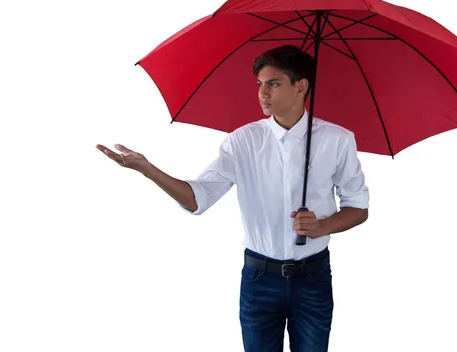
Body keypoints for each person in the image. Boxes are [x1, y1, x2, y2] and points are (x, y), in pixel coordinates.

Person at [96, 45, 370, 352]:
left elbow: (358, 207)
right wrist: (148, 170)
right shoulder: (243, 141)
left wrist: (323, 226)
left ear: (301, 86)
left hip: (313, 279)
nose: (262, 93)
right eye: (259, 84)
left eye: (273, 83)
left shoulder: (337, 140)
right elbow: (199, 198)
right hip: (259, 280)